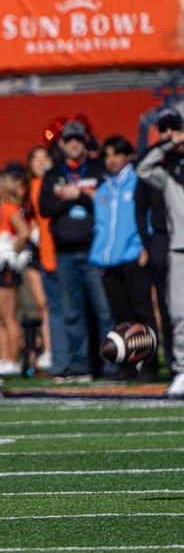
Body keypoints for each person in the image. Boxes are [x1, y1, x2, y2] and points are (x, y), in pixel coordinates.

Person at [39, 119, 114, 381]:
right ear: (61, 143)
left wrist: (78, 195)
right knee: (72, 312)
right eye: (69, 140)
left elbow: (107, 203)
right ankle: (81, 363)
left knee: (104, 311)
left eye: (78, 140)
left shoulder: (97, 169)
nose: (73, 144)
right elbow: (45, 208)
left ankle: (110, 363)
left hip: (95, 250)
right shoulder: (53, 174)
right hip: (65, 252)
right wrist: (69, 196)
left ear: (84, 142)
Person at [90, 135, 159, 382]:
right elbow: (101, 225)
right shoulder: (103, 189)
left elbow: (150, 215)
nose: (112, 160)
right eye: (107, 155)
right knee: (121, 317)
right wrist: (99, 253)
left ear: (128, 155)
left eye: (116, 154)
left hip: (134, 256)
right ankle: (127, 365)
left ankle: (150, 365)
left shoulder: (139, 181)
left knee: (143, 312)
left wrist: (146, 246)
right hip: (109, 261)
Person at [135, 126, 184, 396]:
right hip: (179, 248)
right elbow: (142, 167)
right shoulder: (168, 175)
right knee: (177, 313)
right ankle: (182, 370)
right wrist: (168, 143)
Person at [0, 164, 32, 379]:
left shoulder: (9, 208)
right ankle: (3, 358)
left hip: (3, 265)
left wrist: (10, 254)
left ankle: (14, 360)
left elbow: (25, 232)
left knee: (7, 315)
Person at [23, 145, 55, 373]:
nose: (41, 161)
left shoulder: (55, 184)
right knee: (43, 304)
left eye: (45, 157)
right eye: (36, 157)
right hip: (35, 249)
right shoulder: (27, 188)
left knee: (57, 304)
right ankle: (49, 349)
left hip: (55, 246)